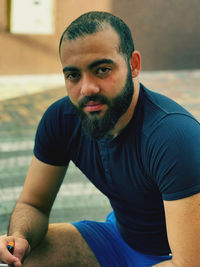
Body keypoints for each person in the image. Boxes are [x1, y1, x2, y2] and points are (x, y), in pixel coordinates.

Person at [0, 11, 200, 267]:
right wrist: (19, 239)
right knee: (28, 258)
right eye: (73, 75)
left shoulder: (174, 137)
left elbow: (189, 263)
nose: (87, 88)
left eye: (102, 70)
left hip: (177, 255)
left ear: (134, 64)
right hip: (118, 238)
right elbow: (33, 204)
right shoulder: (61, 119)